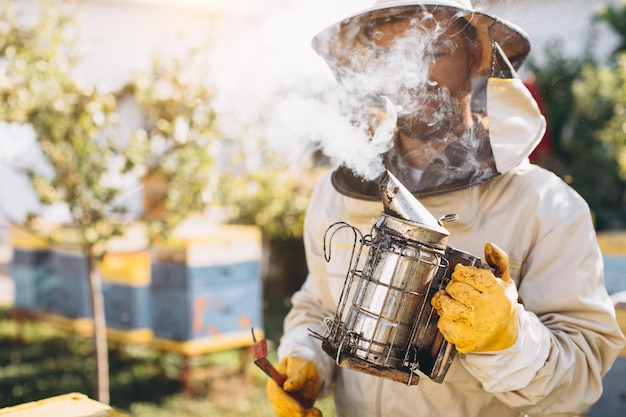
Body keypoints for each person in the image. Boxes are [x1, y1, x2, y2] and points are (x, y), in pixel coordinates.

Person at [267, 1, 626, 416]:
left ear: (476, 57)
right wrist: (306, 358)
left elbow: (579, 378)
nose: (414, 73)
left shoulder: (547, 207)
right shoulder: (336, 197)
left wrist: (508, 342)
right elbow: (320, 305)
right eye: (390, 56)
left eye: (434, 52)